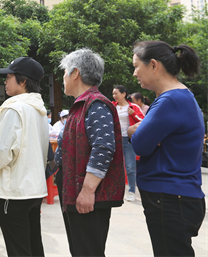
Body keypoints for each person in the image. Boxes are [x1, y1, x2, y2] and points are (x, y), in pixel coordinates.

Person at [128, 41, 205, 257]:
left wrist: (134, 131)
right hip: (177, 197)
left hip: (170, 198)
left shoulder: (171, 100)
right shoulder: (179, 96)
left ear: (153, 65)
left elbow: (141, 143)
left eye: (136, 66)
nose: (135, 73)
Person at [56, 48, 124, 257]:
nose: (63, 78)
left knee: (87, 251)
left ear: (75, 73)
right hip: (74, 190)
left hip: (86, 194)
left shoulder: (95, 104)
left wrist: (87, 191)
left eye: (65, 72)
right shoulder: (82, 104)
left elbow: (103, 148)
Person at [0, 56, 49, 257]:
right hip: (33, 190)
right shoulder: (39, 111)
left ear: (23, 80)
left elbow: (0, 154)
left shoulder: (14, 109)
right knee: (34, 246)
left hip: (13, 192)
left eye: (8, 77)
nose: (5, 82)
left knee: (18, 249)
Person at [111, 85, 144, 202]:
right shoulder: (112, 106)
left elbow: (144, 122)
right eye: (113, 94)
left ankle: (131, 191)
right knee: (115, 165)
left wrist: (133, 114)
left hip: (128, 140)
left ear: (124, 94)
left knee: (130, 167)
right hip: (116, 139)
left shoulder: (133, 107)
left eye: (116, 93)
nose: (114, 96)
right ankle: (115, 189)